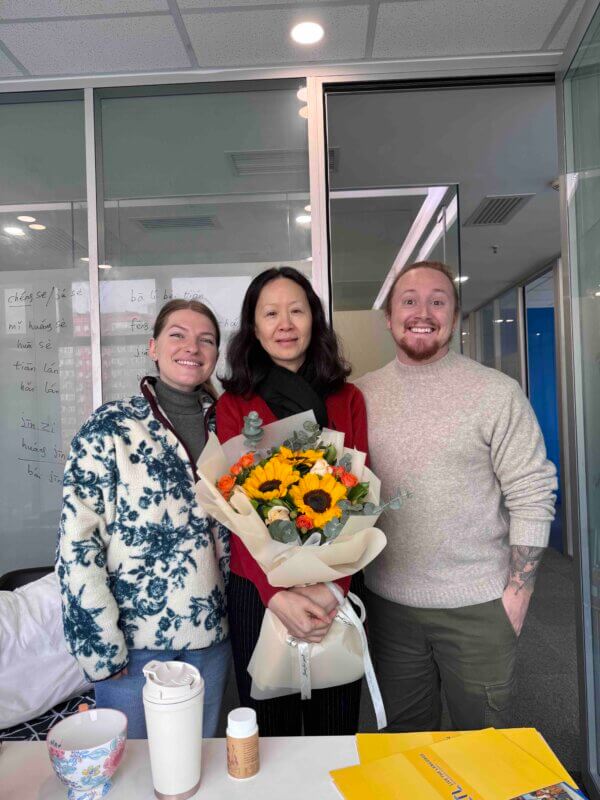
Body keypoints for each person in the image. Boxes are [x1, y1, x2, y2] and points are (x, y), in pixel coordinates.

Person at [356, 260, 557, 732]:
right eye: (408, 301)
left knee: (483, 745)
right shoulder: (359, 396)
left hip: (479, 606)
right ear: (388, 317)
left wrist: (517, 594)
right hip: (390, 608)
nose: (422, 311)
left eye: (438, 301)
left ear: (456, 315)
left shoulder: (496, 393)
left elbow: (532, 491)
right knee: (405, 745)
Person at [55, 299, 230, 738]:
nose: (192, 346)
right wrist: (98, 647)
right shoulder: (111, 426)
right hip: (133, 648)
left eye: (206, 339)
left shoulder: (229, 428)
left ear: (215, 354)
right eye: (178, 334)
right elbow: (77, 541)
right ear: (153, 347)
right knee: (132, 771)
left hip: (213, 637)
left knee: (197, 767)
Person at [216, 266, 368, 736]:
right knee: (271, 732)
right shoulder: (234, 405)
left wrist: (332, 588)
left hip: (334, 585)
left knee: (335, 729)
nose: (285, 323)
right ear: (254, 327)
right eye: (271, 313)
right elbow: (237, 514)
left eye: (296, 311)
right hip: (258, 590)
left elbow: (360, 501)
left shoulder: (348, 399)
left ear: (313, 321)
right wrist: (274, 594)